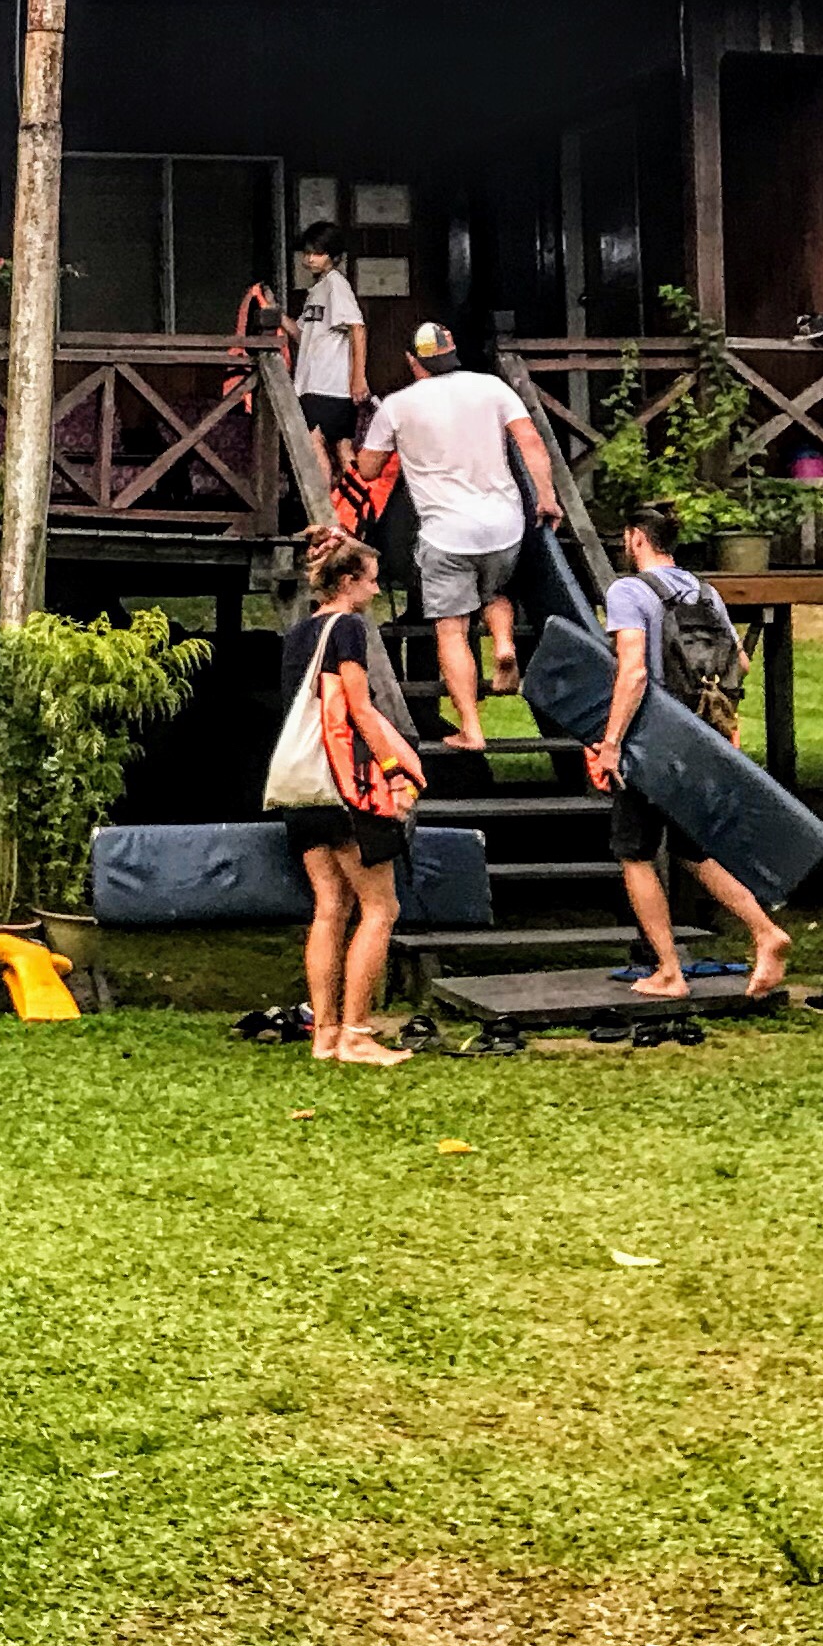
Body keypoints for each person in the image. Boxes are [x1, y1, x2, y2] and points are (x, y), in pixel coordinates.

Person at [591, 503, 795, 999]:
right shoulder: (706, 592)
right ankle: (765, 932)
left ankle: (668, 971)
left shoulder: (628, 591)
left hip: (652, 738)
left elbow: (634, 672)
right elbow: (739, 664)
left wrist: (611, 744)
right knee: (692, 850)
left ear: (637, 538)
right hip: (700, 737)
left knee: (634, 853)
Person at [355, 323, 564, 748]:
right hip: (504, 526)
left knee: (451, 628)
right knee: (496, 591)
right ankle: (504, 644)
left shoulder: (397, 406)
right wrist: (546, 498)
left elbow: (369, 469)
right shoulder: (492, 388)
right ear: (453, 352)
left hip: (446, 534)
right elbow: (531, 441)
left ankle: (470, 727)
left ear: (414, 362)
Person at [278, 538, 418, 1066]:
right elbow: (357, 709)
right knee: (380, 906)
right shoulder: (349, 629)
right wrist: (395, 771)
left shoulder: (298, 634)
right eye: (370, 579)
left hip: (301, 785)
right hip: (344, 787)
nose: (377, 589)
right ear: (346, 582)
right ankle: (357, 1034)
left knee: (328, 908)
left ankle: (325, 1034)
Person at [287, 230, 367, 460]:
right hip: (314, 383)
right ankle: (353, 495)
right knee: (341, 447)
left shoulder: (336, 284)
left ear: (333, 256)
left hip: (329, 382)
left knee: (315, 442)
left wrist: (358, 378)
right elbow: (302, 334)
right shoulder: (318, 289)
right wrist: (275, 312)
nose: (310, 259)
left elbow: (357, 328)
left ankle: (320, 498)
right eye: (307, 253)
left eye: (318, 253)